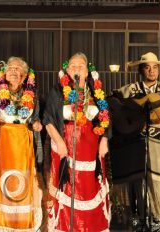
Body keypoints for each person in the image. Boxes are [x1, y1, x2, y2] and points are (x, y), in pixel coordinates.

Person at [43, 52, 111, 231]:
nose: (76, 69)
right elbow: (48, 120)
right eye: (72, 66)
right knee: (67, 190)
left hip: (90, 152)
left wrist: (104, 141)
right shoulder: (58, 91)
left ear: (87, 71)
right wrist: (59, 143)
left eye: (81, 66)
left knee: (88, 190)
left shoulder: (96, 93)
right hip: (65, 149)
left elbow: (106, 121)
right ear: (66, 70)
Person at [0, 57, 44, 231]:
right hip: (0, 146)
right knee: (1, 185)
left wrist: (37, 124)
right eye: (10, 68)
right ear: (4, 73)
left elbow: (35, 118)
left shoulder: (32, 95)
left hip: (24, 148)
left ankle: (21, 224)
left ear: (23, 76)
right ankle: (1, 224)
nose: (13, 71)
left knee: (22, 185)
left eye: (17, 69)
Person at [108, 52, 160, 231]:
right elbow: (113, 106)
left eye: (155, 67)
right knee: (137, 184)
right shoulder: (127, 91)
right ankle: (137, 219)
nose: (151, 71)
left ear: (159, 70)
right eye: (147, 67)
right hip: (135, 146)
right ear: (141, 70)